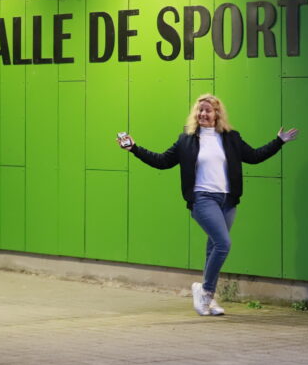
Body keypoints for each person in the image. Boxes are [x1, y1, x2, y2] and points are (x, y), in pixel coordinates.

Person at [118, 94, 298, 316]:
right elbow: (162, 161)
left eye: (207, 110)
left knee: (214, 246)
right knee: (223, 244)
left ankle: (206, 295)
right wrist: (134, 148)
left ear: (217, 114)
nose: (203, 114)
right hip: (202, 198)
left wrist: (278, 141)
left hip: (227, 199)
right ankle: (206, 292)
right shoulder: (186, 139)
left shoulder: (231, 138)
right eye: (200, 110)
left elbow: (254, 156)